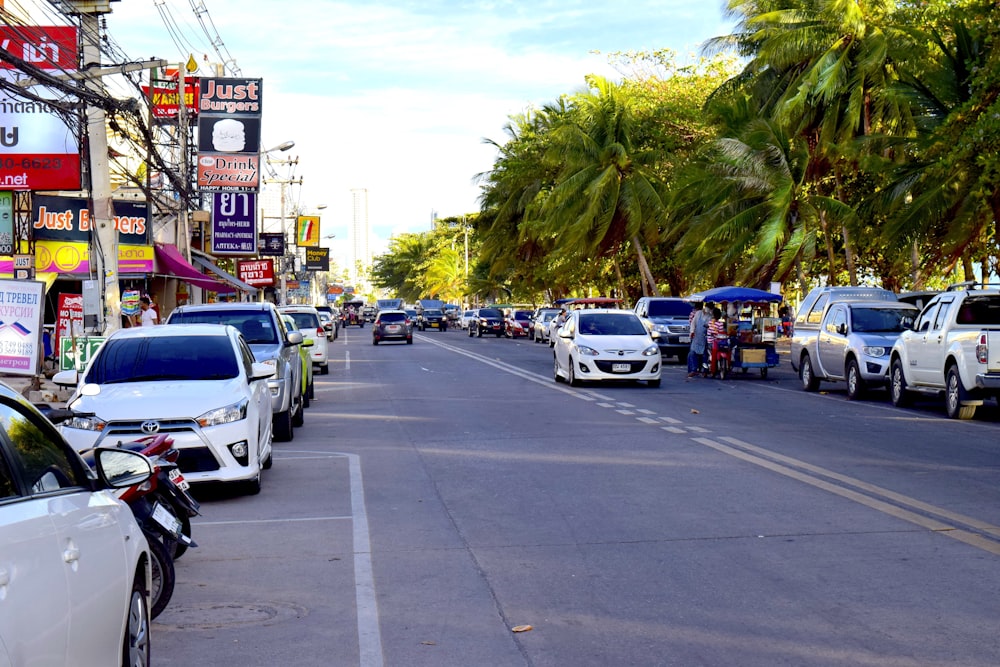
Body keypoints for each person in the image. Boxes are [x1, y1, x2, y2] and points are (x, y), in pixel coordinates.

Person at [687, 304, 709, 377]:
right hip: (696, 337)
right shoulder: (698, 313)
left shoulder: (710, 316)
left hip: (705, 338)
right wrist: (692, 331)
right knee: (692, 353)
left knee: (704, 356)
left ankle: (705, 371)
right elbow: (693, 323)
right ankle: (694, 370)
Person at [706, 306, 727, 376]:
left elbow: (721, 332)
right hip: (715, 342)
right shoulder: (717, 323)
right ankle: (710, 364)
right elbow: (720, 331)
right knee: (711, 355)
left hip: (714, 342)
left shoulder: (710, 323)